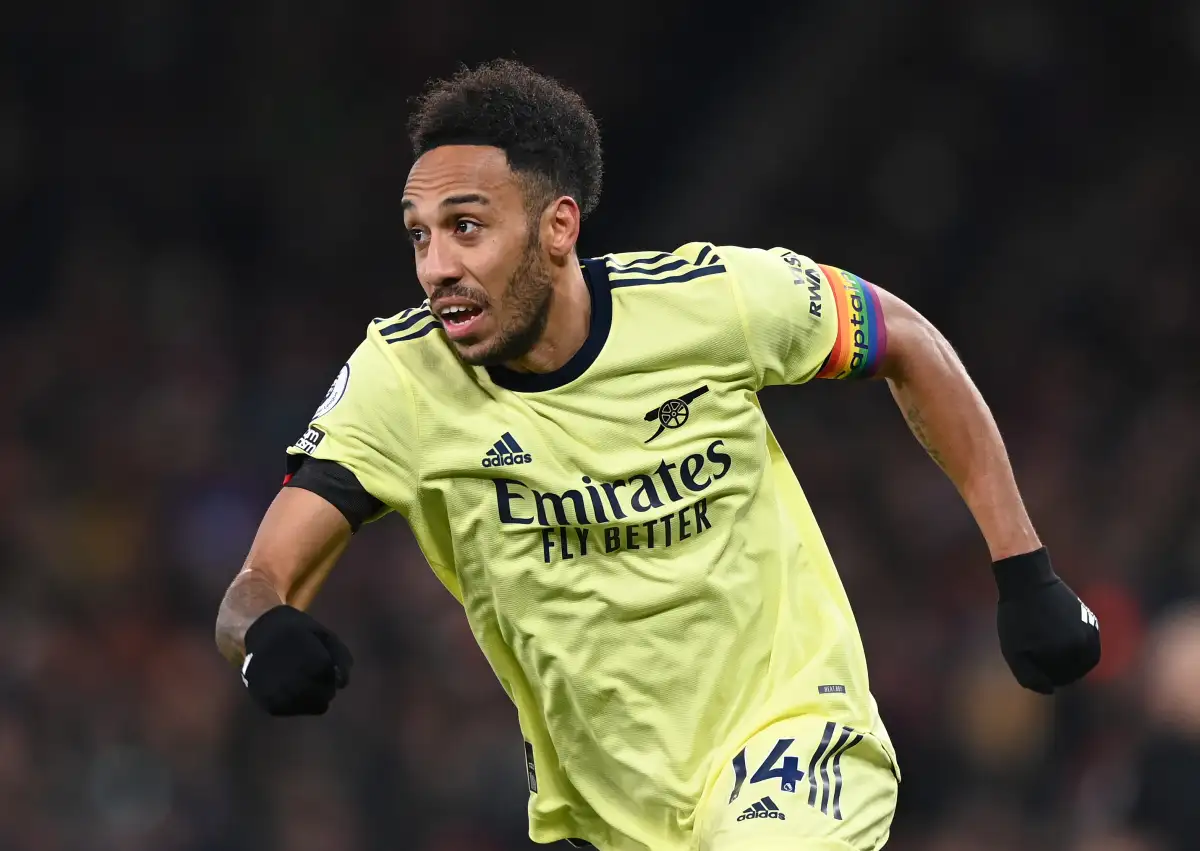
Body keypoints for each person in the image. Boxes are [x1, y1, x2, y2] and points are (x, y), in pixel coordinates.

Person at [214, 59, 1101, 851]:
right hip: (606, 818)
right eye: (419, 234)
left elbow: (903, 337)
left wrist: (1025, 570)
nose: (436, 265)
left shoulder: (714, 302)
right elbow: (254, 585)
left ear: (558, 226)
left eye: (467, 227)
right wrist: (265, 634)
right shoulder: (402, 380)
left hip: (793, 738)